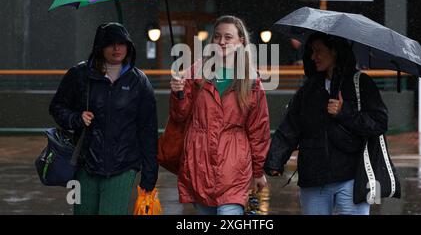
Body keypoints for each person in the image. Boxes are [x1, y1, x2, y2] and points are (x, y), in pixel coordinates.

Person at [264, 32, 388, 215]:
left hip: (352, 177)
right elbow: (290, 127)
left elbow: (379, 123)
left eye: (319, 51)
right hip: (313, 178)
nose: (313, 57)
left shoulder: (361, 83)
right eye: (312, 51)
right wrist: (275, 160)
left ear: (335, 52)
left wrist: (344, 112)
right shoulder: (308, 89)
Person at [49, 22, 158, 215]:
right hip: (85, 165)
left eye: (122, 43)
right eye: (110, 43)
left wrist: (150, 175)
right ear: (100, 47)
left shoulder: (139, 82)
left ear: (129, 46)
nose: (117, 48)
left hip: (123, 166)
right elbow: (57, 107)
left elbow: (148, 130)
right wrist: (76, 118)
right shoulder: (80, 75)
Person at [169, 15, 271, 215]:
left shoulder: (251, 81)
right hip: (200, 163)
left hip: (234, 165)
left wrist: (258, 171)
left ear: (241, 41)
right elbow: (180, 117)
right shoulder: (195, 73)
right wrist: (178, 93)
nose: (221, 42)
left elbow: (259, 130)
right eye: (217, 37)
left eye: (228, 37)